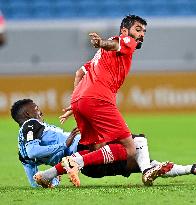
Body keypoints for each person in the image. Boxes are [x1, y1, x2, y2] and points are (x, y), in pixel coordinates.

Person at [58, 14, 173, 186]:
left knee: (96, 148)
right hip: (98, 99)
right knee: (130, 148)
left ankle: (48, 174)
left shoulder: (101, 55)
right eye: (138, 29)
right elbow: (116, 44)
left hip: (80, 100)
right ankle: (75, 163)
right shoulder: (124, 41)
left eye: (144, 31)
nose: (142, 35)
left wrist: (76, 100)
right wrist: (102, 42)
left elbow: (79, 73)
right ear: (125, 31)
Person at [11, 99, 196, 188]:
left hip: (92, 163)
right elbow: (33, 150)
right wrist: (66, 142)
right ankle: (73, 163)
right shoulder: (30, 124)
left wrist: (50, 180)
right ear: (28, 114)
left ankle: (191, 168)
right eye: (37, 109)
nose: (41, 112)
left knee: (139, 159)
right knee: (136, 142)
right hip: (83, 149)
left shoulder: (23, 149)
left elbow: (31, 172)